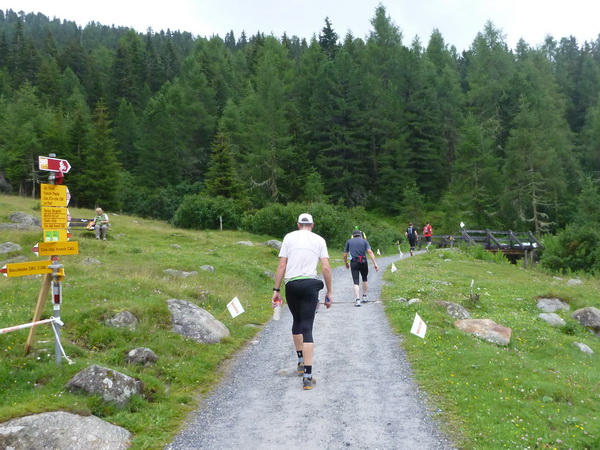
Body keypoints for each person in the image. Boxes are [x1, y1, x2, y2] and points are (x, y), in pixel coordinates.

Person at [272, 213, 333, 390]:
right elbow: (326, 268)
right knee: (307, 327)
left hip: (291, 284)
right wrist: (329, 292)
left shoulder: (288, 238)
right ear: (312, 225)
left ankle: (300, 361)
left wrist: (276, 290)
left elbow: (282, 265)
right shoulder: (319, 240)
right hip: (310, 285)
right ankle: (307, 377)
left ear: (298, 224)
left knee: (297, 321)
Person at [343, 229, 379, 307]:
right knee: (364, 279)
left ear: (353, 236)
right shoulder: (364, 241)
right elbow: (370, 252)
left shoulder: (349, 242)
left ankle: (357, 300)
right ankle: (364, 296)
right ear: (360, 235)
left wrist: (346, 263)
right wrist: (375, 263)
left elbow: (345, 255)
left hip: (354, 262)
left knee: (356, 281)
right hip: (363, 261)